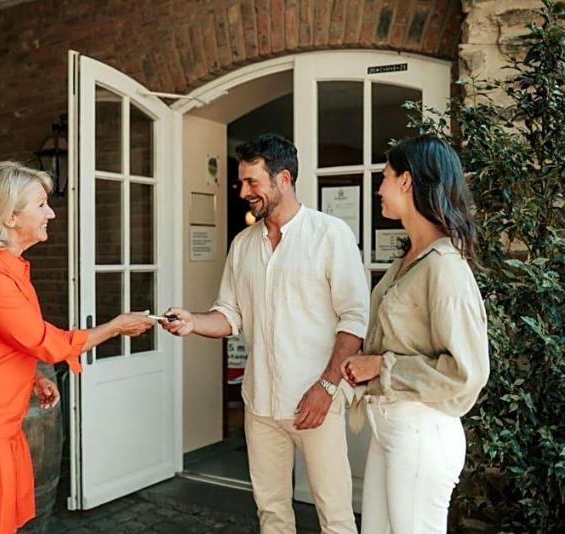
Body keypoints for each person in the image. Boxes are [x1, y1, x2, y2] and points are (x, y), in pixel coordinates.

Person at [0, 161, 154, 534]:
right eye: (41, 205)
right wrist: (114, 328)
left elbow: (1, 338)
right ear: (11, 217)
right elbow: (41, 340)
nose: (51, 213)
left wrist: (32, 378)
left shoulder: (5, 265)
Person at [161, 134, 369, 534]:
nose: (243, 192)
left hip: (315, 401)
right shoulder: (242, 245)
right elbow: (229, 315)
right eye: (242, 182)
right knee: (271, 513)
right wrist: (192, 321)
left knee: (336, 515)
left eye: (252, 182)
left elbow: (354, 320)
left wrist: (327, 387)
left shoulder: (330, 235)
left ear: (283, 179)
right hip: (260, 405)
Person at [341, 136, 490, 533]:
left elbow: (467, 372)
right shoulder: (410, 259)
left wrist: (381, 366)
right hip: (390, 426)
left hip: (422, 430)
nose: (379, 189)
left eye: (385, 177)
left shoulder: (445, 266)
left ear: (406, 181)